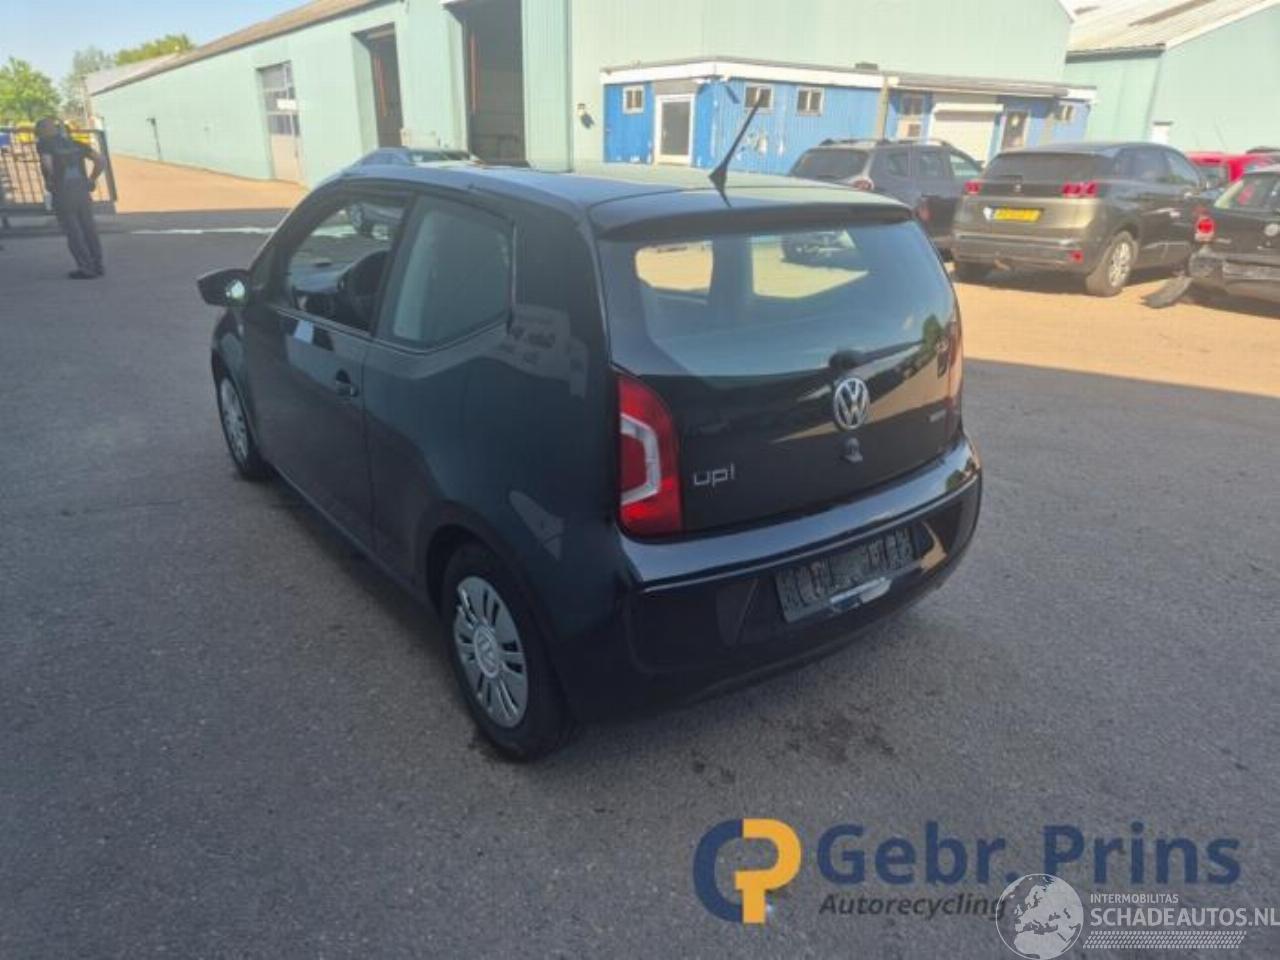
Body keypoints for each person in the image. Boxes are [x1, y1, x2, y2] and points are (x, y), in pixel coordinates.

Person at [35, 118, 106, 279]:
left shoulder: (45, 144)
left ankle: (86, 268)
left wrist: (51, 179)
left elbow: (47, 162)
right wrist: (92, 179)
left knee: (73, 231)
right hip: (82, 190)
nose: (37, 134)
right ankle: (98, 265)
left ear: (44, 130)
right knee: (89, 228)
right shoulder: (76, 143)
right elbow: (101, 160)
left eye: (38, 131)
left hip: (63, 192)